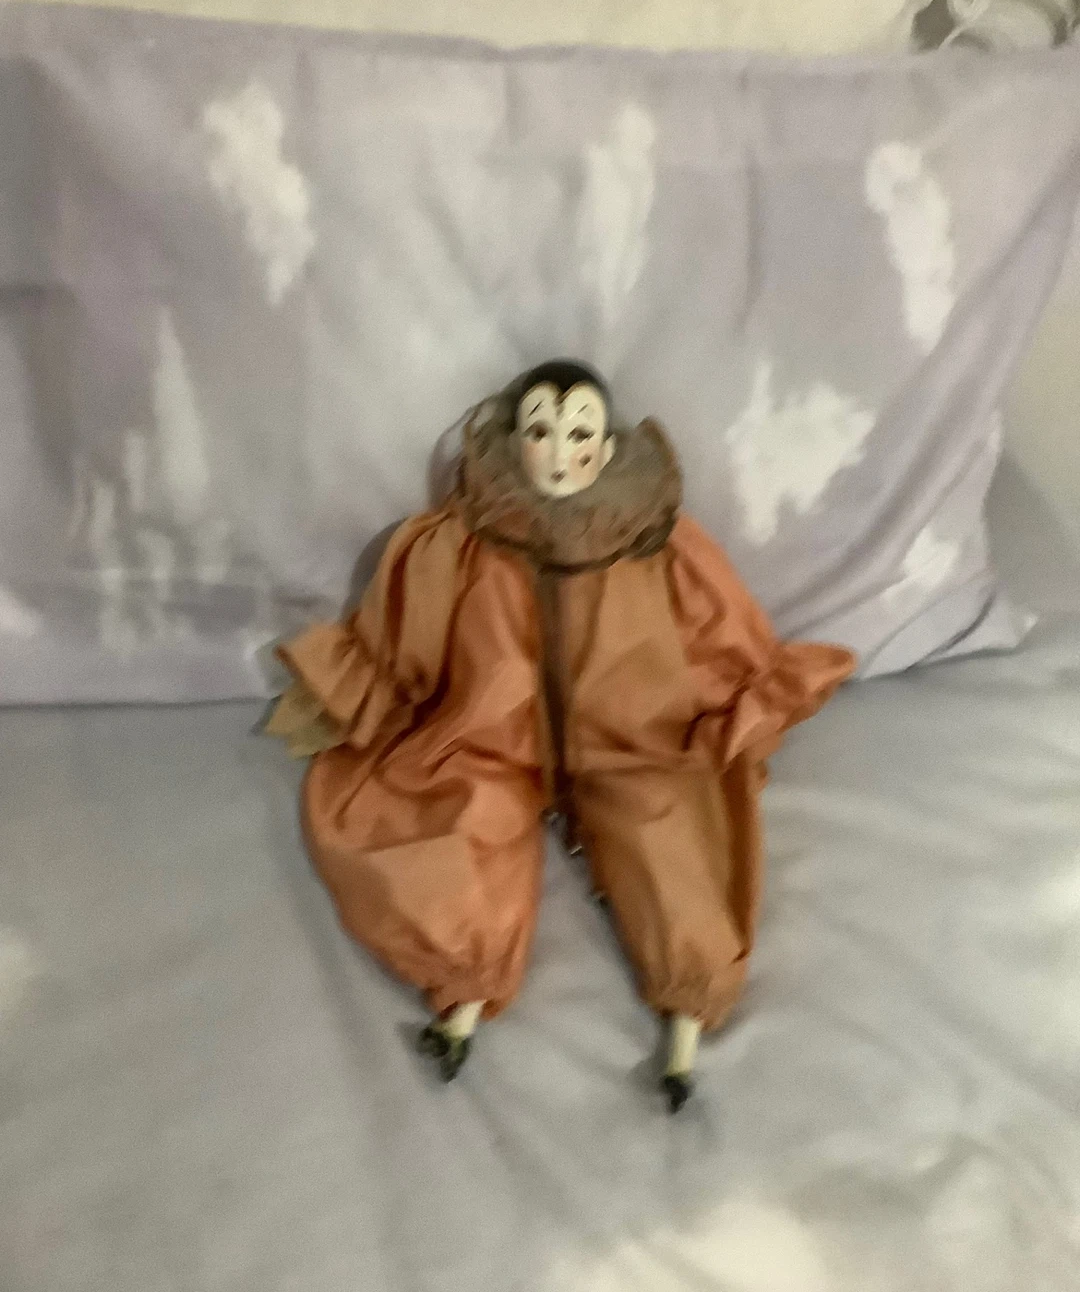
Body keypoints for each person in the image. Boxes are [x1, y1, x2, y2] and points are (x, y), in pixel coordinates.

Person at [266, 361, 854, 1110]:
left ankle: (685, 1021)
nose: (558, 451)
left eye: (579, 433)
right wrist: (375, 695)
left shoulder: (654, 539)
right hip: (488, 736)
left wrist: (729, 704)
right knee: (457, 824)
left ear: (605, 449)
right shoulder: (461, 539)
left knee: (671, 838)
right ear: (515, 442)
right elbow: (412, 632)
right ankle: (461, 996)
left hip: (632, 738)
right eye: (540, 431)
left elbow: (716, 628)